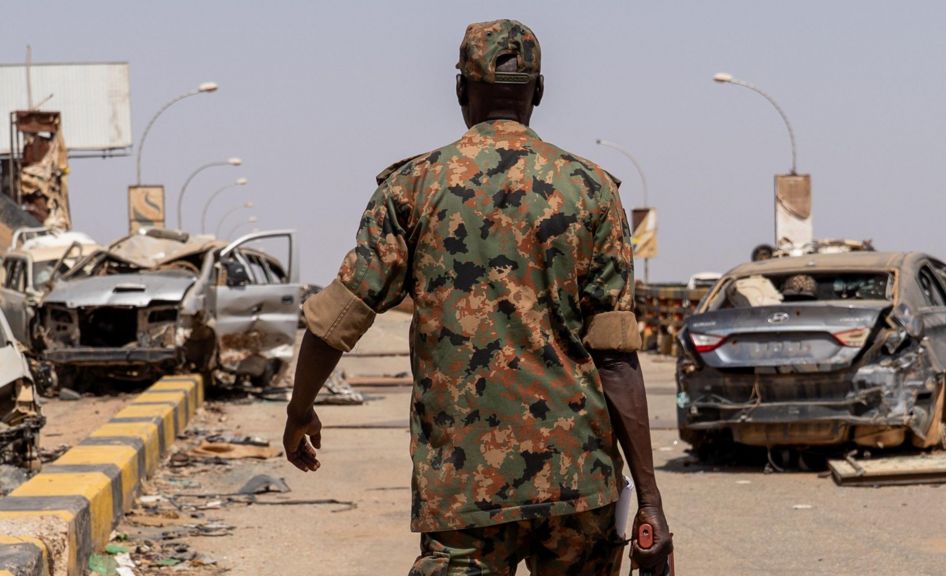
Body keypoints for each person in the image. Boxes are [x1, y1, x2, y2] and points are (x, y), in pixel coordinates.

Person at [283, 19, 673, 575]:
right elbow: (615, 356)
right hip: (577, 484)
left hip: (463, 489)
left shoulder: (412, 187)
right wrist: (651, 504)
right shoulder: (591, 190)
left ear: (461, 89)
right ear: (539, 92)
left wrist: (300, 411)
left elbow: (339, 317)